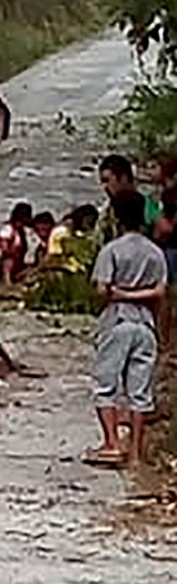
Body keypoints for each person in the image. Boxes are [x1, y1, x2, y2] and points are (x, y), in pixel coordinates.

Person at [87, 190, 169, 467]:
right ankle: (135, 452)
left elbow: (102, 290)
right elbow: (160, 293)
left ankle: (111, 443)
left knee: (106, 385)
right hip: (145, 324)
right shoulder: (155, 253)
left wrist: (121, 294)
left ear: (117, 217)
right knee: (139, 392)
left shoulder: (111, 251)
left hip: (118, 321)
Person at [95, 154, 161, 246]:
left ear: (123, 178)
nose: (104, 187)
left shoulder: (151, 207)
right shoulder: (106, 215)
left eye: (107, 180)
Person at [0, 202, 33, 286]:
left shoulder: (22, 231)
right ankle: (7, 282)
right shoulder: (7, 229)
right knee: (9, 260)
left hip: (15, 261)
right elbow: (5, 249)